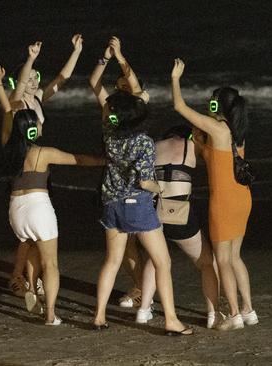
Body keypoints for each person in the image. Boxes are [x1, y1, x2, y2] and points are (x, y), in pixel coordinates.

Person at [90, 38, 192, 335]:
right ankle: (171, 320)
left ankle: (98, 317)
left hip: (111, 203)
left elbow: (108, 87)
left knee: (111, 261)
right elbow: (144, 180)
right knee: (163, 262)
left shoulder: (109, 131)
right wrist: (160, 189)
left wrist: (112, 57)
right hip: (137, 205)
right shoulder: (144, 142)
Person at [0, 107, 105, 326]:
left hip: (16, 210)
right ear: (33, 129)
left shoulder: (9, 149)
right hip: (38, 208)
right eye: (38, 123)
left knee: (33, 245)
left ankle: (33, 289)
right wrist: (106, 161)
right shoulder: (43, 153)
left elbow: (6, 118)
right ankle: (51, 314)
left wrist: (2, 90)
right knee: (51, 263)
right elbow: (78, 160)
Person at [171, 58, 257, 330]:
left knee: (222, 260)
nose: (209, 103)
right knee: (235, 257)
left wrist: (175, 79)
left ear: (217, 105)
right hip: (243, 198)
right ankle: (248, 310)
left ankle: (233, 315)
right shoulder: (235, 132)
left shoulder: (216, 129)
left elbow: (179, 106)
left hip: (223, 203)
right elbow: (207, 152)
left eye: (212, 100)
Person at [1, 35, 84, 297]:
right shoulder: (15, 102)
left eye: (37, 77)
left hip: (38, 159)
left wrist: (76, 52)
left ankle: (27, 277)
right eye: (30, 77)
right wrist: (31, 58)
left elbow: (62, 79)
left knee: (34, 233)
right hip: (20, 161)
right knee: (29, 233)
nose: (35, 81)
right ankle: (20, 277)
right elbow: (21, 82)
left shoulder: (36, 98)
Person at [123, 125, 220, 328]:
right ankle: (213, 314)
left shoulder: (153, 146)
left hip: (151, 211)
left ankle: (143, 310)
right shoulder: (190, 146)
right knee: (206, 263)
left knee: (155, 259)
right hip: (178, 211)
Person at [88, 36, 149, 310]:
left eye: (124, 85)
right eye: (118, 85)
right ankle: (140, 287)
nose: (120, 87)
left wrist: (122, 58)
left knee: (139, 243)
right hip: (113, 183)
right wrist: (105, 58)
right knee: (125, 248)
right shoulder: (111, 109)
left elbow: (135, 86)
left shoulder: (137, 106)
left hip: (137, 181)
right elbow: (93, 83)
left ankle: (143, 290)